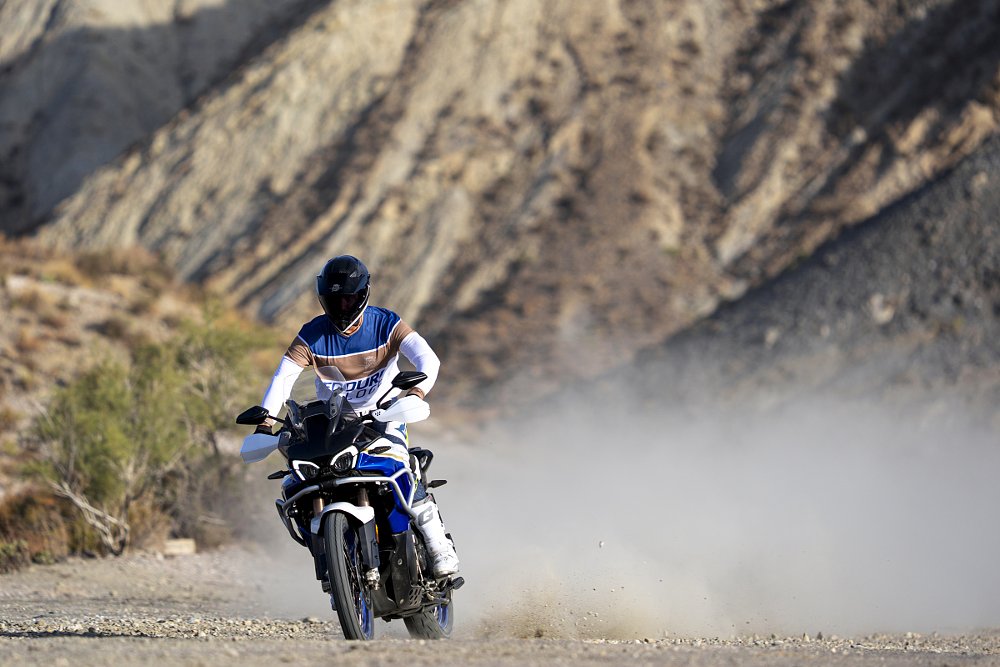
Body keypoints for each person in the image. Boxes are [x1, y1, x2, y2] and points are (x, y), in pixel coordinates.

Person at [256, 254, 459, 578]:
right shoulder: (311, 335)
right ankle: (334, 555)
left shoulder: (387, 324)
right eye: (334, 300)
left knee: (401, 468)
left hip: (385, 415)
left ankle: (438, 546)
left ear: (363, 294)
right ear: (323, 298)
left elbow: (428, 361)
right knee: (304, 478)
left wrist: (415, 394)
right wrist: (266, 421)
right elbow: (283, 379)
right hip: (333, 421)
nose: (342, 306)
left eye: (348, 299)